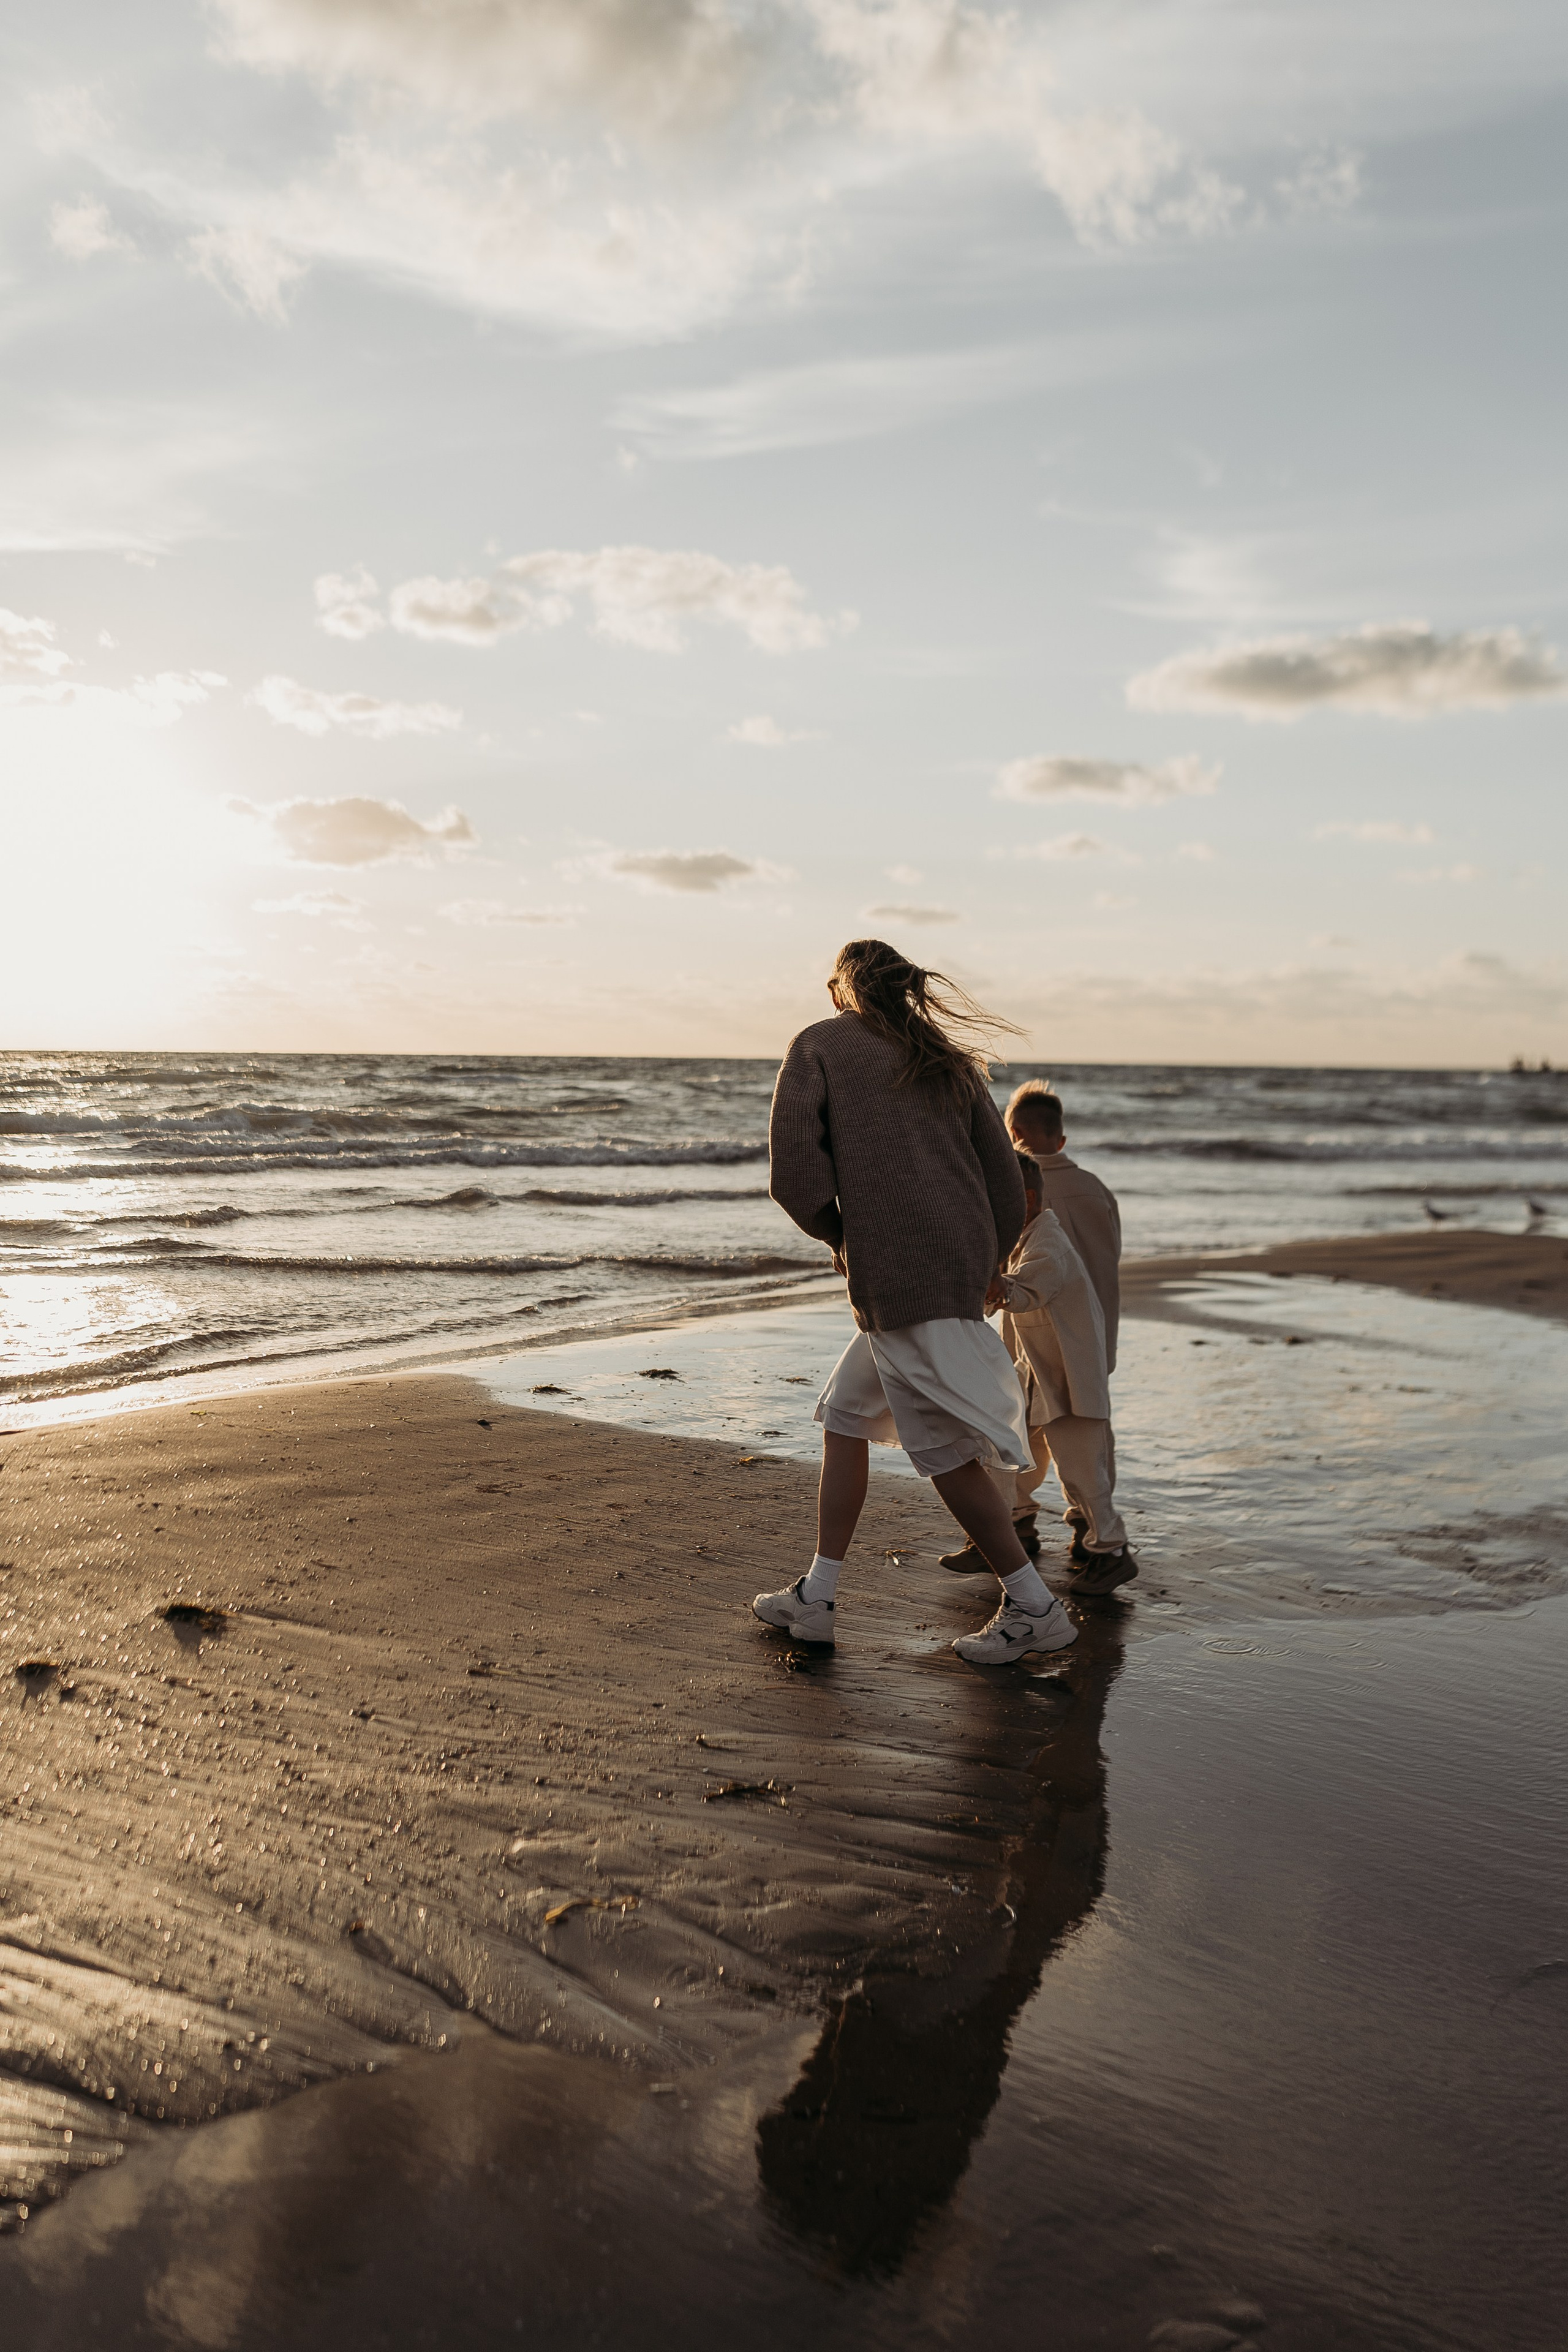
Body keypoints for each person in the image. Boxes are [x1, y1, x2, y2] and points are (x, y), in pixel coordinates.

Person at [756, 939, 1079, 1667]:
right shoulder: (948, 1061)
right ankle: (816, 1596)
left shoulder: (820, 1045)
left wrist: (842, 1236)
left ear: (840, 990)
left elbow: (794, 1180)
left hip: (900, 1280)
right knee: (845, 1416)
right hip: (951, 1270)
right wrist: (987, 1259)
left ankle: (1034, 1607)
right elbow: (1005, 1180)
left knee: (944, 1455)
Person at [943, 1151, 1136, 1597]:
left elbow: (1027, 1291)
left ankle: (1112, 1551)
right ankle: (1009, 1532)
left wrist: (993, 1286)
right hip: (1036, 1375)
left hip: (1071, 1382)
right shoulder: (1023, 1239)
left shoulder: (1048, 1243)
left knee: (1082, 1473)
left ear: (1027, 1200)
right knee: (1006, 1452)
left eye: (997, 1199)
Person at [997, 1079, 1123, 1567]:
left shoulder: (1016, 1189)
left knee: (1023, 1430)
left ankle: (1020, 1522)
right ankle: (1086, 1528)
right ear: (1061, 1138)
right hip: (1093, 1335)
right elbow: (1109, 1263)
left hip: (1033, 1337)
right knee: (1085, 1439)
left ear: (1014, 1133)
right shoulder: (1096, 1190)